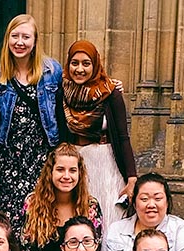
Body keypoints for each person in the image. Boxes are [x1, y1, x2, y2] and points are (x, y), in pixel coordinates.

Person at [0, 14, 63, 235]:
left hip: (41, 155)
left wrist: (111, 87)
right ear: (7, 39)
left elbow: (75, 92)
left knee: (40, 213)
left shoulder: (52, 71)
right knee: (10, 216)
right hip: (9, 157)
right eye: (15, 36)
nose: (19, 42)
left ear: (34, 42)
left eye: (25, 37)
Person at [57, 40, 136, 223]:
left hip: (105, 162)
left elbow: (123, 137)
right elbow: (61, 136)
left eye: (86, 63)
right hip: (75, 162)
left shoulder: (110, 93)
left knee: (107, 216)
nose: (79, 69)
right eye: (74, 63)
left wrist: (132, 177)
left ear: (95, 64)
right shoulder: (62, 93)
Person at [22, 143, 103, 251]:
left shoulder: (91, 206)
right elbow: (26, 249)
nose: (66, 176)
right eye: (60, 169)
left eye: (72, 170)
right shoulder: (32, 203)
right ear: (50, 172)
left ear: (79, 173)